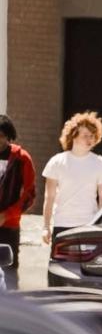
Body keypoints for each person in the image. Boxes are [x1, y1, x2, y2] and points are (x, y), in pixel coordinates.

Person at [41, 112, 102, 244]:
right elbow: (49, 197)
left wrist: (100, 227)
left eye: (92, 136)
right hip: (62, 224)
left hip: (88, 225)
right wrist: (46, 227)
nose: (90, 139)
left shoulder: (100, 163)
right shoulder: (57, 162)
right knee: (60, 264)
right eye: (85, 135)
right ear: (73, 135)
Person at [0, 115, 37, 288]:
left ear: (8, 136)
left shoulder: (22, 158)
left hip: (10, 225)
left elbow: (29, 195)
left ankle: (12, 311)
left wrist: (7, 215)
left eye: (1, 135)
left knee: (9, 271)